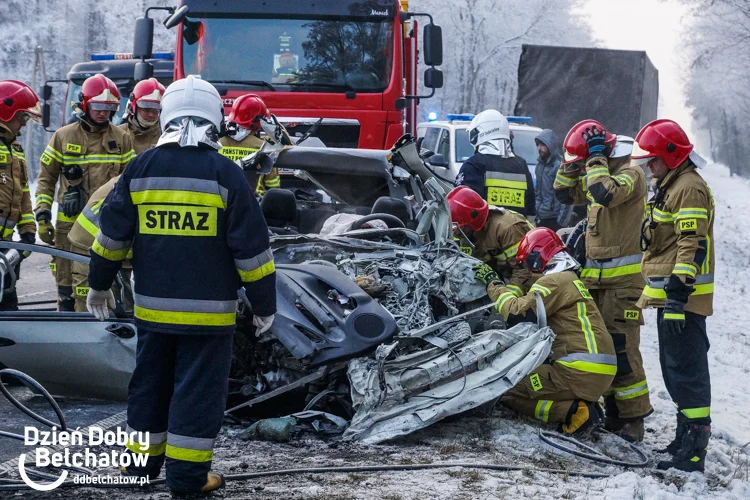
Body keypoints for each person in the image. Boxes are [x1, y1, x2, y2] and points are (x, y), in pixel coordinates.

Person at [86, 75, 277, 493]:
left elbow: (111, 236)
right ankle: (188, 479)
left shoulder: (141, 167)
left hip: (152, 311)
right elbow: (253, 254)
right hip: (209, 318)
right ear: (214, 117)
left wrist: (97, 285)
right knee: (196, 394)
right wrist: (265, 305)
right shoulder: (227, 174)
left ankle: (139, 468)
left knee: (149, 387)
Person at [553, 120, 652, 442]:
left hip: (623, 287)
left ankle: (632, 421)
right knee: (602, 350)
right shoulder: (599, 173)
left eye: (592, 161)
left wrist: (595, 159)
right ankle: (611, 416)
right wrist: (576, 163)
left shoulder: (630, 174)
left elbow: (603, 193)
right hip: (597, 283)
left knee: (623, 353)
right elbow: (564, 194)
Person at [632, 119, 713, 472]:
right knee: (675, 371)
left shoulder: (688, 188)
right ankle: (684, 440)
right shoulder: (673, 184)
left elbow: (690, 246)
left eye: (652, 160)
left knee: (688, 374)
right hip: (673, 299)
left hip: (685, 300)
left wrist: (678, 298)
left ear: (671, 154)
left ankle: (694, 452)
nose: (648, 166)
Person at [480, 227, 616, 433]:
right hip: (595, 371)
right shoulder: (570, 279)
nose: (528, 269)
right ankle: (584, 406)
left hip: (577, 371)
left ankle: (572, 412)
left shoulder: (554, 281)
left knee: (504, 386)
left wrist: (493, 284)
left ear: (538, 256)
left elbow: (518, 313)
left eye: (527, 263)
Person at [35, 74, 135, 311]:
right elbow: (46, 178)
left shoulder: (122, 139)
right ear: (84, 104)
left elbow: (129, 182)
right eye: (98, 107)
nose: (103, 113)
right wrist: (42, 214)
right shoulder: (63, 136)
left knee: (108, 283)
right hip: (69, 228)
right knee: (67, 283)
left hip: (105, 225)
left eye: (109, 108)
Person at [448, 186, 534, 299]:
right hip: (502, 275)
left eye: (459, 227)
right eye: (453, 226)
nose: (456, 233)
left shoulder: (508, 229)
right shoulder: (466, 231)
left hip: (530, 280)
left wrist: (505, 300)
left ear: (474, 220)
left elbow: (526, 271)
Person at [0, 80, 40, 310]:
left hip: (5, 248)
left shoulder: (15, 148)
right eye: (21, 118)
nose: (23, 124)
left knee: (8, 313)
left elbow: (23, 192)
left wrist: (27, 232)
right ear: (5, 111)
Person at [455, 110, 536, 218]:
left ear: (481, 134)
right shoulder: (521, 164)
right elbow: (531, 209)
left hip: (484, 233)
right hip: (518, 231)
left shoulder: (474, 165)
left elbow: (464, 207)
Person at [219, 94, 290, 195]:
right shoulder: (265, 147)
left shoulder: (216, 143)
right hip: (254, 204)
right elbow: (273, 186)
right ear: (259, 122)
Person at [119, 78, 165, 153]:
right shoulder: (118, 134)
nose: (151, 115)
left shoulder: (165, 136)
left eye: (156, 111)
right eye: (146, 109)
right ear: (134, 107)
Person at [533, 129, 566, 231]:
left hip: (554, 218)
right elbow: (537, 192)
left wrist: (561, 222)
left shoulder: (559, 166)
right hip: (540, 217)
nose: (539, 148)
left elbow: (566, 196)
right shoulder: (539, 166)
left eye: (542, 145)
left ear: (550, 145)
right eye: (538, 145)